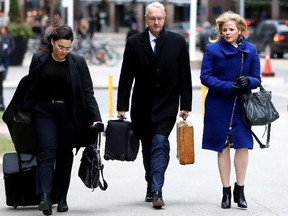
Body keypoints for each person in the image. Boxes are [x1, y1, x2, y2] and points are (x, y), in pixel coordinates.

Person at [3, 25, 103, 215]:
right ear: (52, 42)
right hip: (43, 112)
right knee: (46, 152)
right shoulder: (39, 59)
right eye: (61, 47)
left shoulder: (78, 63)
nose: (64, 51)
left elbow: (88, 92)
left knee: (65, 155)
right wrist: (24, 111)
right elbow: (30, 86)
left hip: (67, 113)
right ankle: (45, 197)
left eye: (68, 48)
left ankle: (62, 198)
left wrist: (96, 118)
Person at [117, 2, 192, 209]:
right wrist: (121, 105)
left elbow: (185, 75)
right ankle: (151, 183)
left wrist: (185, 105)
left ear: (165, 18)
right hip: (141, 106)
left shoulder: (177, 42)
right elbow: (126, 76)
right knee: (148, 147)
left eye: (159, 18)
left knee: (160, 142)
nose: (156, 22)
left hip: (167, 104)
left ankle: (158, 189)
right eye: (152, 18)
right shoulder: (134, 43)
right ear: (146, 19)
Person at [200, 11, 261, 209]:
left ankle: (240, 189)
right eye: (224, 30)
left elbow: (257, 78)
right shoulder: (212, 50)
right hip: (219, 104)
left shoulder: (251, 50)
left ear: (241, 29)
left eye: (231, 29)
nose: (227, 33)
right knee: (222, 146)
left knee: (243, 145)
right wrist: (228, 87)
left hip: (242, 106)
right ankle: (226, 191)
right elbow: (205, 77)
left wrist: (248, 81)